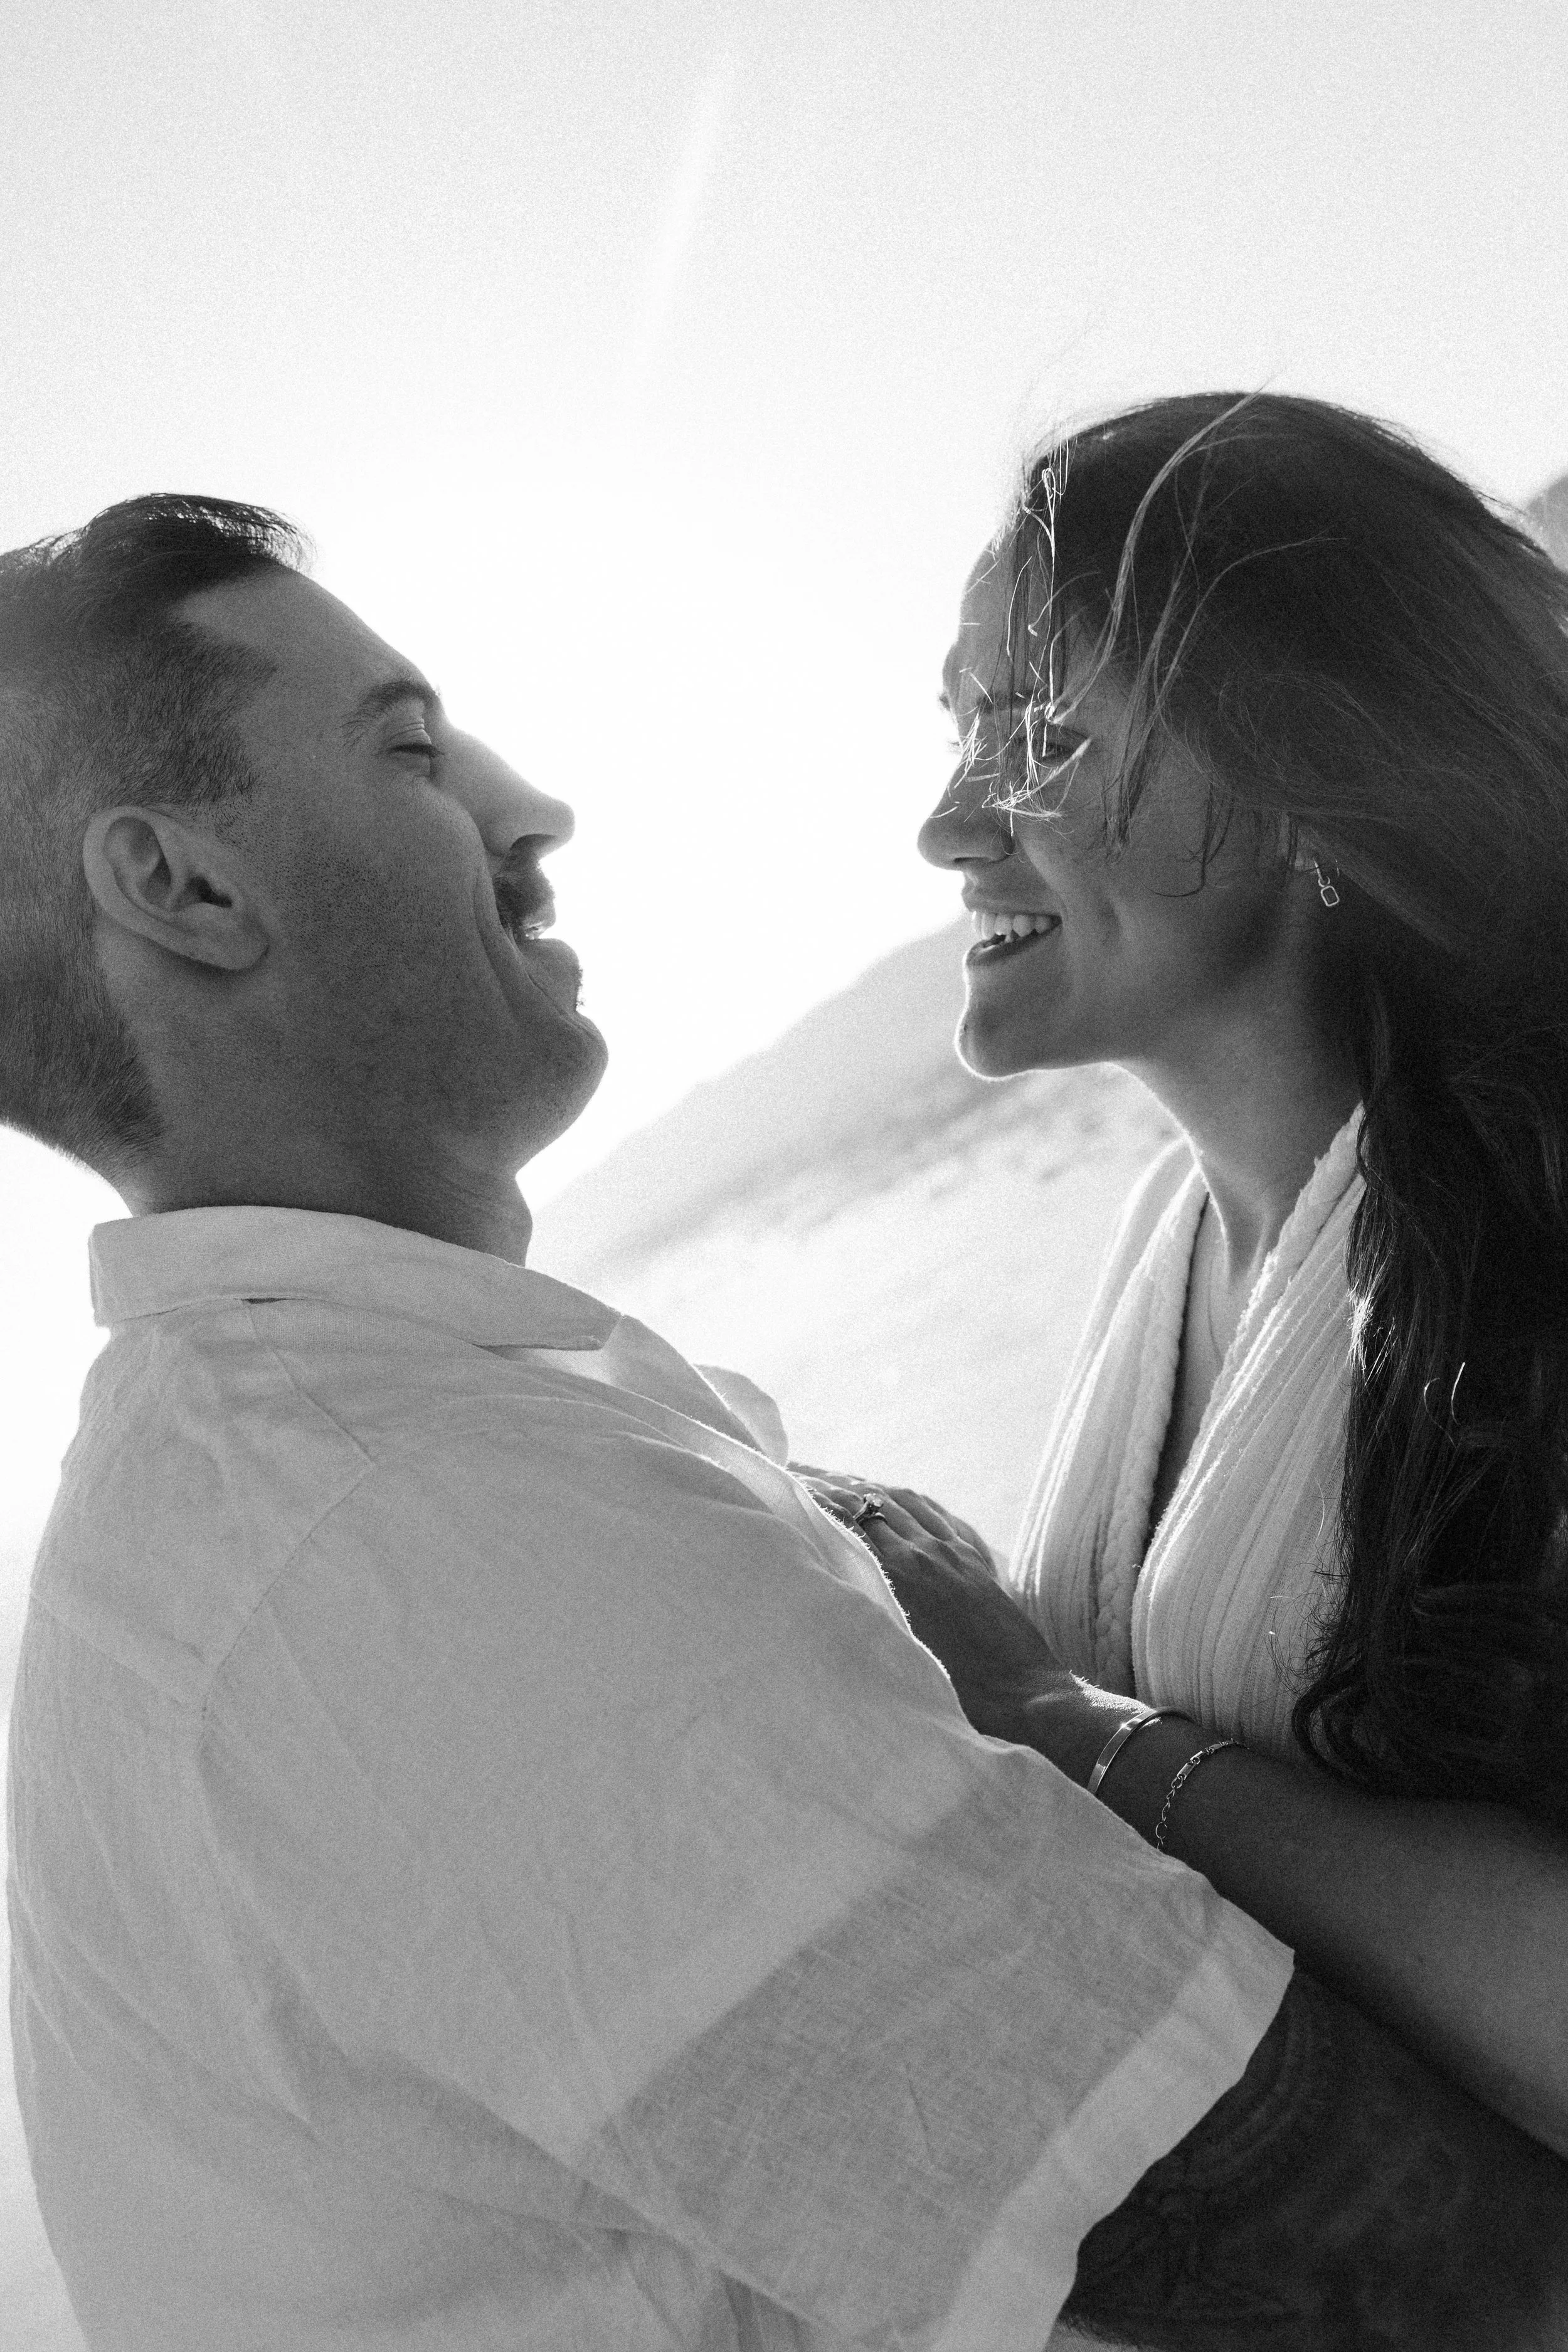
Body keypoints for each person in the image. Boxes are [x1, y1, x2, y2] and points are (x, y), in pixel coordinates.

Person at [2, 494, 1563, 2352]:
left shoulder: (293, 1495)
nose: (530, 808)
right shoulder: (427, 1549)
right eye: (406, 748)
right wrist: (1050, 1721)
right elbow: (1427, 2296)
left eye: (1037, 725)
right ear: (180, 889)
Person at [839, 391, 1568, 2176]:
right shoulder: (1162, 1253)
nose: (947, 823)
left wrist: (1053, 1722)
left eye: (1034, 731)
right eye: (956, 729)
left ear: (1298, 759)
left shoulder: (1534, 1224)